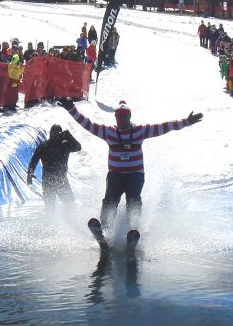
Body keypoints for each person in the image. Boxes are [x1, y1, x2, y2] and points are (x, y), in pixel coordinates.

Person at [58, 98, 203, 230]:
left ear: (129, 117)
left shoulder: (140, 131)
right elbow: (87, 124)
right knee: (110, 200)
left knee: (134, 199)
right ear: (115, 117)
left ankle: (133, 229)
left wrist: (186, 121)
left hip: (135, 175)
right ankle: (105, 228)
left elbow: (164, 127)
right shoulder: (109, 132)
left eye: (124, 116)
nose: (122, 119)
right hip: (115, 174)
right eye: (119, 117)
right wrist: (71, 108)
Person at [27, 125, 82, 210]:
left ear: (61, 134)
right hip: (48, 181)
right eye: (54, 133)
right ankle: (51, 222)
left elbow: (78, 147)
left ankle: (69, 221)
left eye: (58, 133)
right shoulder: (44, 146)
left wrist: (69, 136)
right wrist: (30, 172)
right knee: (50, 208)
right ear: (50, 134)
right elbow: (33, 161)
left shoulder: (65, 145)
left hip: (62, 180)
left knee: (70, 206)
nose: (56, 136)